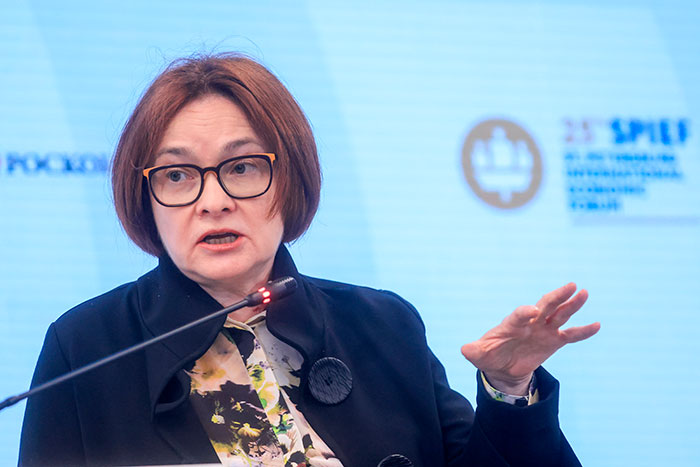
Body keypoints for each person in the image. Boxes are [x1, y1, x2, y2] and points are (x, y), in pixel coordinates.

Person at [19, 53, 600, 467]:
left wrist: (507, 387)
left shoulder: (382, 324)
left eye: (242, 167)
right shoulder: (87, 347)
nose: (213, 200)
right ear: (144, 197)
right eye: (177, 175)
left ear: (291, 179)